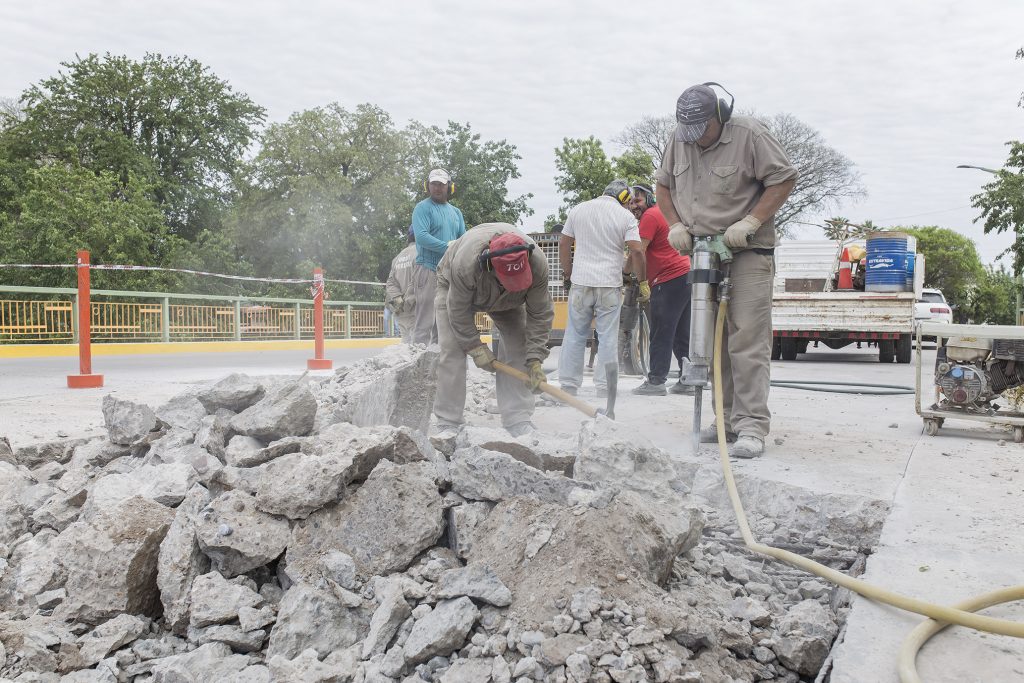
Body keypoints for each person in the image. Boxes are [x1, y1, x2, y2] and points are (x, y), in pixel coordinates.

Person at [655, 82, 797, 458]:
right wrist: (674, 225)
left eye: (702, 129)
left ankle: (750, 426)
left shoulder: (749, 134)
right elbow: (663, 186)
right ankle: (725, 420)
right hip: (703, 253)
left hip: (747, 250)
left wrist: (751, 221)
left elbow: (783, 178)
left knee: (746, 340)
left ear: (721, 115)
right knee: (711, 341)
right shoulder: (680, 139)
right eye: (689, 131)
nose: (695, 138)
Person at [433, 223, 554, 437]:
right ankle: (448, 421)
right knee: (452, 351)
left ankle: (517, 418)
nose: (512, 283)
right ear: (490, 265)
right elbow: (458, 312)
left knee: (520, 347)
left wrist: (535, 360)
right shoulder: (465, 265)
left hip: (510, 301)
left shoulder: (537, 264)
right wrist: (475, 347)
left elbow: (540, 315)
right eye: (509, 280)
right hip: (455, 288)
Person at [558, 180, 648, 397]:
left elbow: (563, 243)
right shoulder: (625, 216)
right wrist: (643, 281)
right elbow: (636, 251)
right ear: (624, 198)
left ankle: (569, 387)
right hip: (609, 284)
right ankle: (605, 389)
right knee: (607, 336)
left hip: (581, 282)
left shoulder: (578, 209)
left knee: (575, 334)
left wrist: (568, 273)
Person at [628, 183, 693, 396]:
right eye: (630, 202)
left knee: (661, 331)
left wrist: (627, 272)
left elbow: (638, 251)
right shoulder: (663, 214)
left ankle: (656, 381)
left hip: (668, 279)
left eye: (637, 200)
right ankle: (689, 380)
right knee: (681, 334)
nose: (633, 205)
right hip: (685, 275)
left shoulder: (649, 217)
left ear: (648, 198)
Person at [411, 168, 467, 344]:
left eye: (441, 184)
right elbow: (421, 236)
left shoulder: (456, 212)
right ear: (427, 186)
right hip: (428, 270)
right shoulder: (422, 208)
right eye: (433, 184)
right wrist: (448, 247)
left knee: (443, 325)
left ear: (449, 187)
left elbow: (463, 239)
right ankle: (417, 366)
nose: (437, 188)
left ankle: (438, 367)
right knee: (424, 323)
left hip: (449, 273)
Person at [385, 227, 418, 342]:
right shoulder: (422, 254)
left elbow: (390, 283)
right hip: (417, 311)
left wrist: (399, 300)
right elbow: (421, 281)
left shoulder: (397, 258)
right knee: (419, 350)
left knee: (406, 348)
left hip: (401, 311)